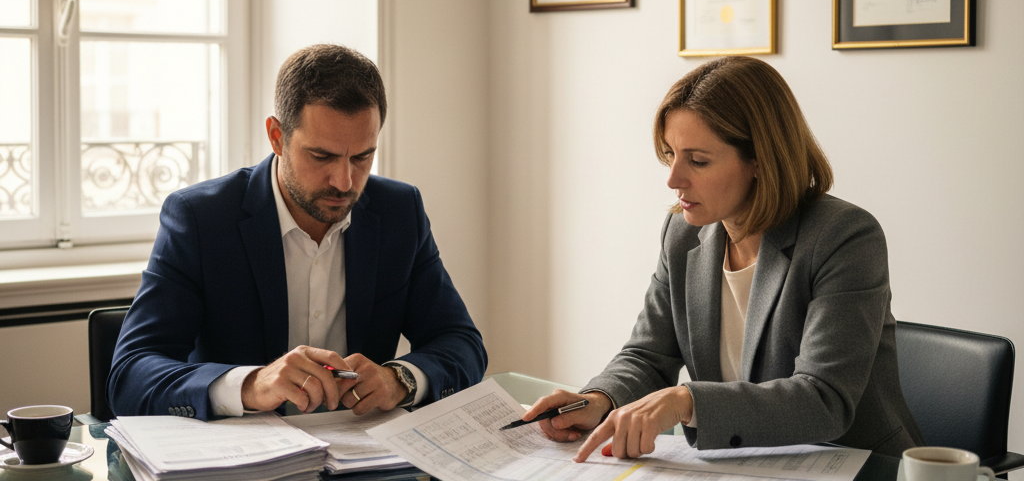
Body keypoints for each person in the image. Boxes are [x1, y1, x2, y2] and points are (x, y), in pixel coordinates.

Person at [524, 56, 923, 460]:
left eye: (697, 160)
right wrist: (598, 398)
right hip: (742, 466)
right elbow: (649, 354)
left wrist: (686, 401)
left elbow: (823, 399)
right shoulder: (683, 233)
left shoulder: (845, 237)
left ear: (759, 160)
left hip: (854, 464)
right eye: (669, 154)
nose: (673, 179)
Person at [108, 44, 487, 420]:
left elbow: (462, 343)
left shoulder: (399, 212)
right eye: (321, 156)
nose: (344, 181)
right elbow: (130, 375)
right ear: (277, 137)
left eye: (362, 156)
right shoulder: (201, 219)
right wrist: (250, 385)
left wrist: (399, 378)